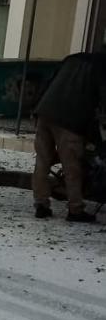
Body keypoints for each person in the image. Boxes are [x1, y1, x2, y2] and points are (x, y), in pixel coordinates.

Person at [31, 51, 106, 222]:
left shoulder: (72, 59)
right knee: (72, 166)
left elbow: (48, 82)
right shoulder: (101, 67)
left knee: (42, 161)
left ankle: (41, 204)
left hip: (44, 112)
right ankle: (75, 209)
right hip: (69, 120)